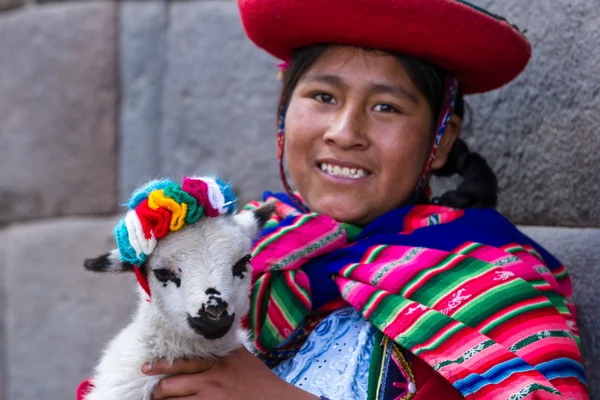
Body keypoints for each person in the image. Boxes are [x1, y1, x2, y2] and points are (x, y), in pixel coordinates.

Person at [82, 0, 590, 399]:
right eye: (323, 97)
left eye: (387, 106)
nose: (345, 132)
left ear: (442, 140)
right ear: (284, 110)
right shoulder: (240, 257)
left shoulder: (492, 285)